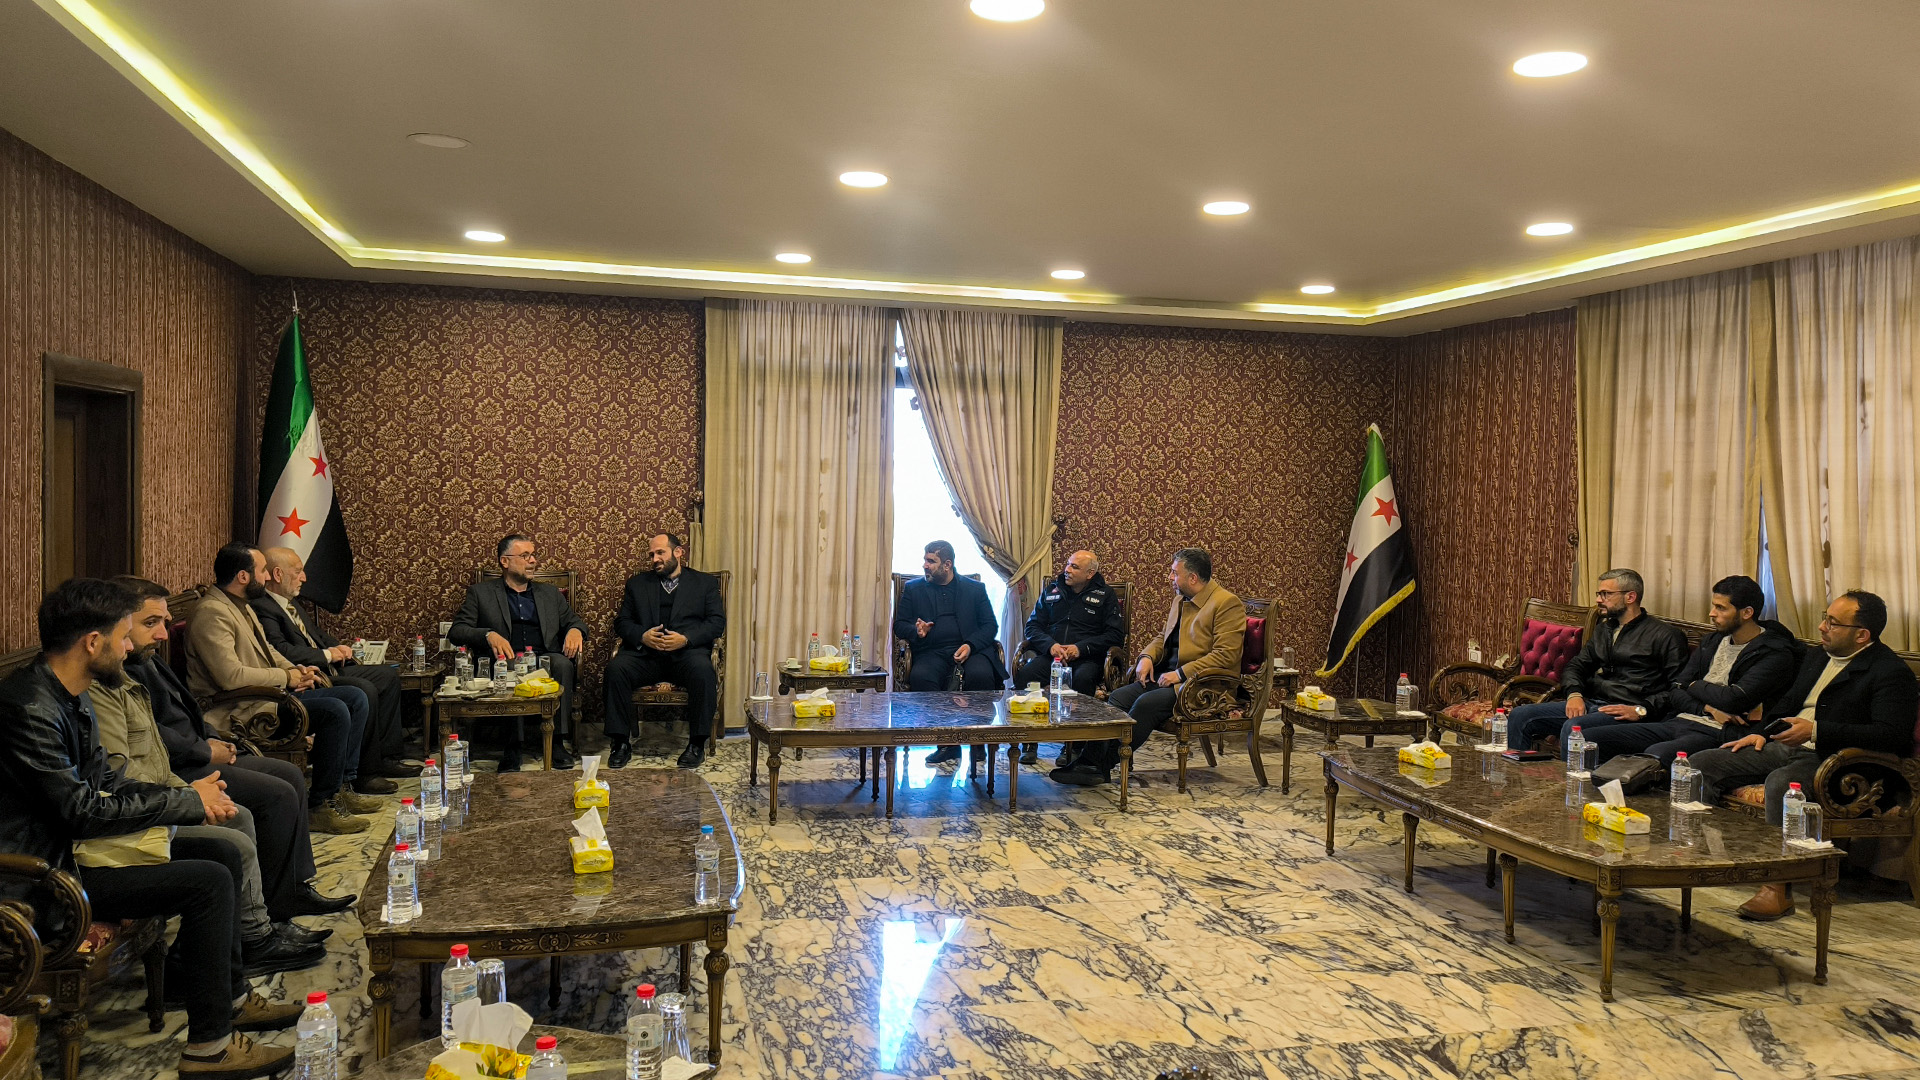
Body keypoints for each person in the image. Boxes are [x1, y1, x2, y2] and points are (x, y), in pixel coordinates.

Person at [0, 578, 299, 1078]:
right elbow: (80, 810)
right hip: (42, 877)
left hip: (76, 852)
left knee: (223, 855)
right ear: (92, 642)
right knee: (207, 881)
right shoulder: (28, 707)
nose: (128, 648)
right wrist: (186, 801)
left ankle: (230, 1000)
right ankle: (209, 1050)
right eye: (123, 636)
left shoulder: (67, 693)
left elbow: (106, 780)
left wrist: (190, 802)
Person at [90, 628, 329, 978]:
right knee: (246, 827)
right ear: (93, 640)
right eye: (148, 623)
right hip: (136, 814)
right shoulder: (98, 690)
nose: (163, 631)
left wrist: (200, 775)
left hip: (172, 780)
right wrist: (189, 797)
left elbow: (164, 743)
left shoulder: (134, 670)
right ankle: (246, 942)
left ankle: (264, 922)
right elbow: (116, 778)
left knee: (243, 812)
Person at [115, 576, 360, 913]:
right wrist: (206, 749)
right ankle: (277, 905)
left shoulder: (149, 656)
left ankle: (293, 887)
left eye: (164, 622)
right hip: (178, 765)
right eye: (151, 623)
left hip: (199, 746)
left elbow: (187, 708)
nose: (162, 634)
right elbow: (152, 733)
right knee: (277, 793)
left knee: (289, 774)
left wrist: (214, 738)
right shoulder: (120, 668)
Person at [1689, 590, 1919, 920]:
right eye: (1825, 617)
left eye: (1833, 622)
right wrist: (1761, 732)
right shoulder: (1818, 655)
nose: (1822, 627)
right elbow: (1788, 703)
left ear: (1861, 635)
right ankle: (1706, 861)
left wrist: (1816, 731)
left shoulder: (1889, 672)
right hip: (1785, 745)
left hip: (1836, 762)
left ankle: (1777, 888)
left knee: (1783, 784)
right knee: (1701, 763)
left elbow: (1890, 734)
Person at [187, 542, 380, 830]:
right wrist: (285, 678)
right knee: (334, 710)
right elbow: (231, 677)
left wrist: (296, 670)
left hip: (265, 698)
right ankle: (320, 804)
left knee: (353, 696)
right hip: (241, 709)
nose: (267, 577)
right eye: (263, 571)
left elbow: (268, 652)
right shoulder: (211, 613)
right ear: (243, 576)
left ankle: (342, 786)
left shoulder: (241, 605)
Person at [1053, 548, 1244, 787]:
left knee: (1146, 704)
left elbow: (1225, 655)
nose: (1170, 577)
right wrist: (1146, 657)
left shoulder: (1226, 603)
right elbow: (1162, 637)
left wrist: (1180, 674)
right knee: (1119, 697)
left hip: (1202, 686)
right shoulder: (1180, 599)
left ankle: (1101, 765)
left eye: (1175, 573)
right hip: (1168, 678)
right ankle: (1088, 762)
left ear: (1193, 578)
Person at [1583, 575, 1805, 766]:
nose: (1711, 613)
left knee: (1656, 755)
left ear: (1747, 613)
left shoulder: (1774, 652)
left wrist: (1694, 685)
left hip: (1718, 732)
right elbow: (1675, 691)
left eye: (1721, 608)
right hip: (1681, 720)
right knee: (1589, 739)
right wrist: (1708, 708)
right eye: (1713, 605)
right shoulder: (1712, 641)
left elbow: (1734, 699)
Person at [252, 546, 412, 782]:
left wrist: (338, 647)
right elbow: (282, 649)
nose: (304, 578)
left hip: (329, 667)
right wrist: (327, 655)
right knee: (364, 689)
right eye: (298, 571)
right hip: (309, 674)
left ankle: (387, 757)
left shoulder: (290, 603)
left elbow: (315, 634)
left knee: (387, 676)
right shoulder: (263, 606)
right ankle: (365, 773)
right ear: (277, 574)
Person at [1504, 568, 1690, 757]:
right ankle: (1519, 775)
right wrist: (1574, 694)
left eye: (1605, 594)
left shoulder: (1666, 636)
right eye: (1598, 594)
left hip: (1627, 710)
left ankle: (1569, 777)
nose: (1598, 600)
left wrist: (1641, 710)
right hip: (1594, 703)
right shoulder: (1604, 630)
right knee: (1521, 715)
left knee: (1573, 728)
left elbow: (1678, 689)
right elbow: (1576, 666)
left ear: (1630, 597)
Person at [449, 534, 587, 770]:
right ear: (505, 561)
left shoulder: (550, 594)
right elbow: (457, 631)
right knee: (508, 668)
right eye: (525, 556)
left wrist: (576, 630)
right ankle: (512, 747)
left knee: (563, 664)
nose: (533, 561)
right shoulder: (481, 593)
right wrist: (488, 634)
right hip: (506, 659)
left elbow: (575, 621)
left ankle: (557, 743)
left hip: (544, 657)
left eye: (533, 555)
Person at [603, 534, 726, 770]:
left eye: (660, 552)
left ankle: (696, 744)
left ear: (678, 552)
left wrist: (685, 639)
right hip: (647, 657)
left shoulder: (704, 583)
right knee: (616, 669)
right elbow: (622, 622)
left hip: (686, 655)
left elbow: (716, 623)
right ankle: (620, 743)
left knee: (703, 670)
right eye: (652, 555)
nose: (655, 559)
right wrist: (642, 636)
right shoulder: (637, 584)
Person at [893, 540, 1008, 765]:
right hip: (932, 651)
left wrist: (970, 645)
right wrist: (917, 631)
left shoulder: (974, 589)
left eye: (931, 561)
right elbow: (899, 625)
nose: (925, 565)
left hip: (970, 650)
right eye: (925, 560)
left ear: (947, 565)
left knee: (981, 675)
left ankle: (978, 741)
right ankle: (947, 745)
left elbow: (989, 626)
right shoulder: (914, 589)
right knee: (921, 676)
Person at [1015, 549, 1126, 766]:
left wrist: (1080, 648)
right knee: (1027, 674)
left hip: (1087, 658)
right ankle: (1028, 741)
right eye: (1068, 564)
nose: (1067, 570)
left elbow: (1115, 636)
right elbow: (1032, 626)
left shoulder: (1106, 595)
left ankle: (1075, 745)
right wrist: (1050, 646)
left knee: (1083, 679)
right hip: (1053, 657)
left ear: (1090, 573)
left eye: (1074, 567)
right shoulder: (1052, 590)